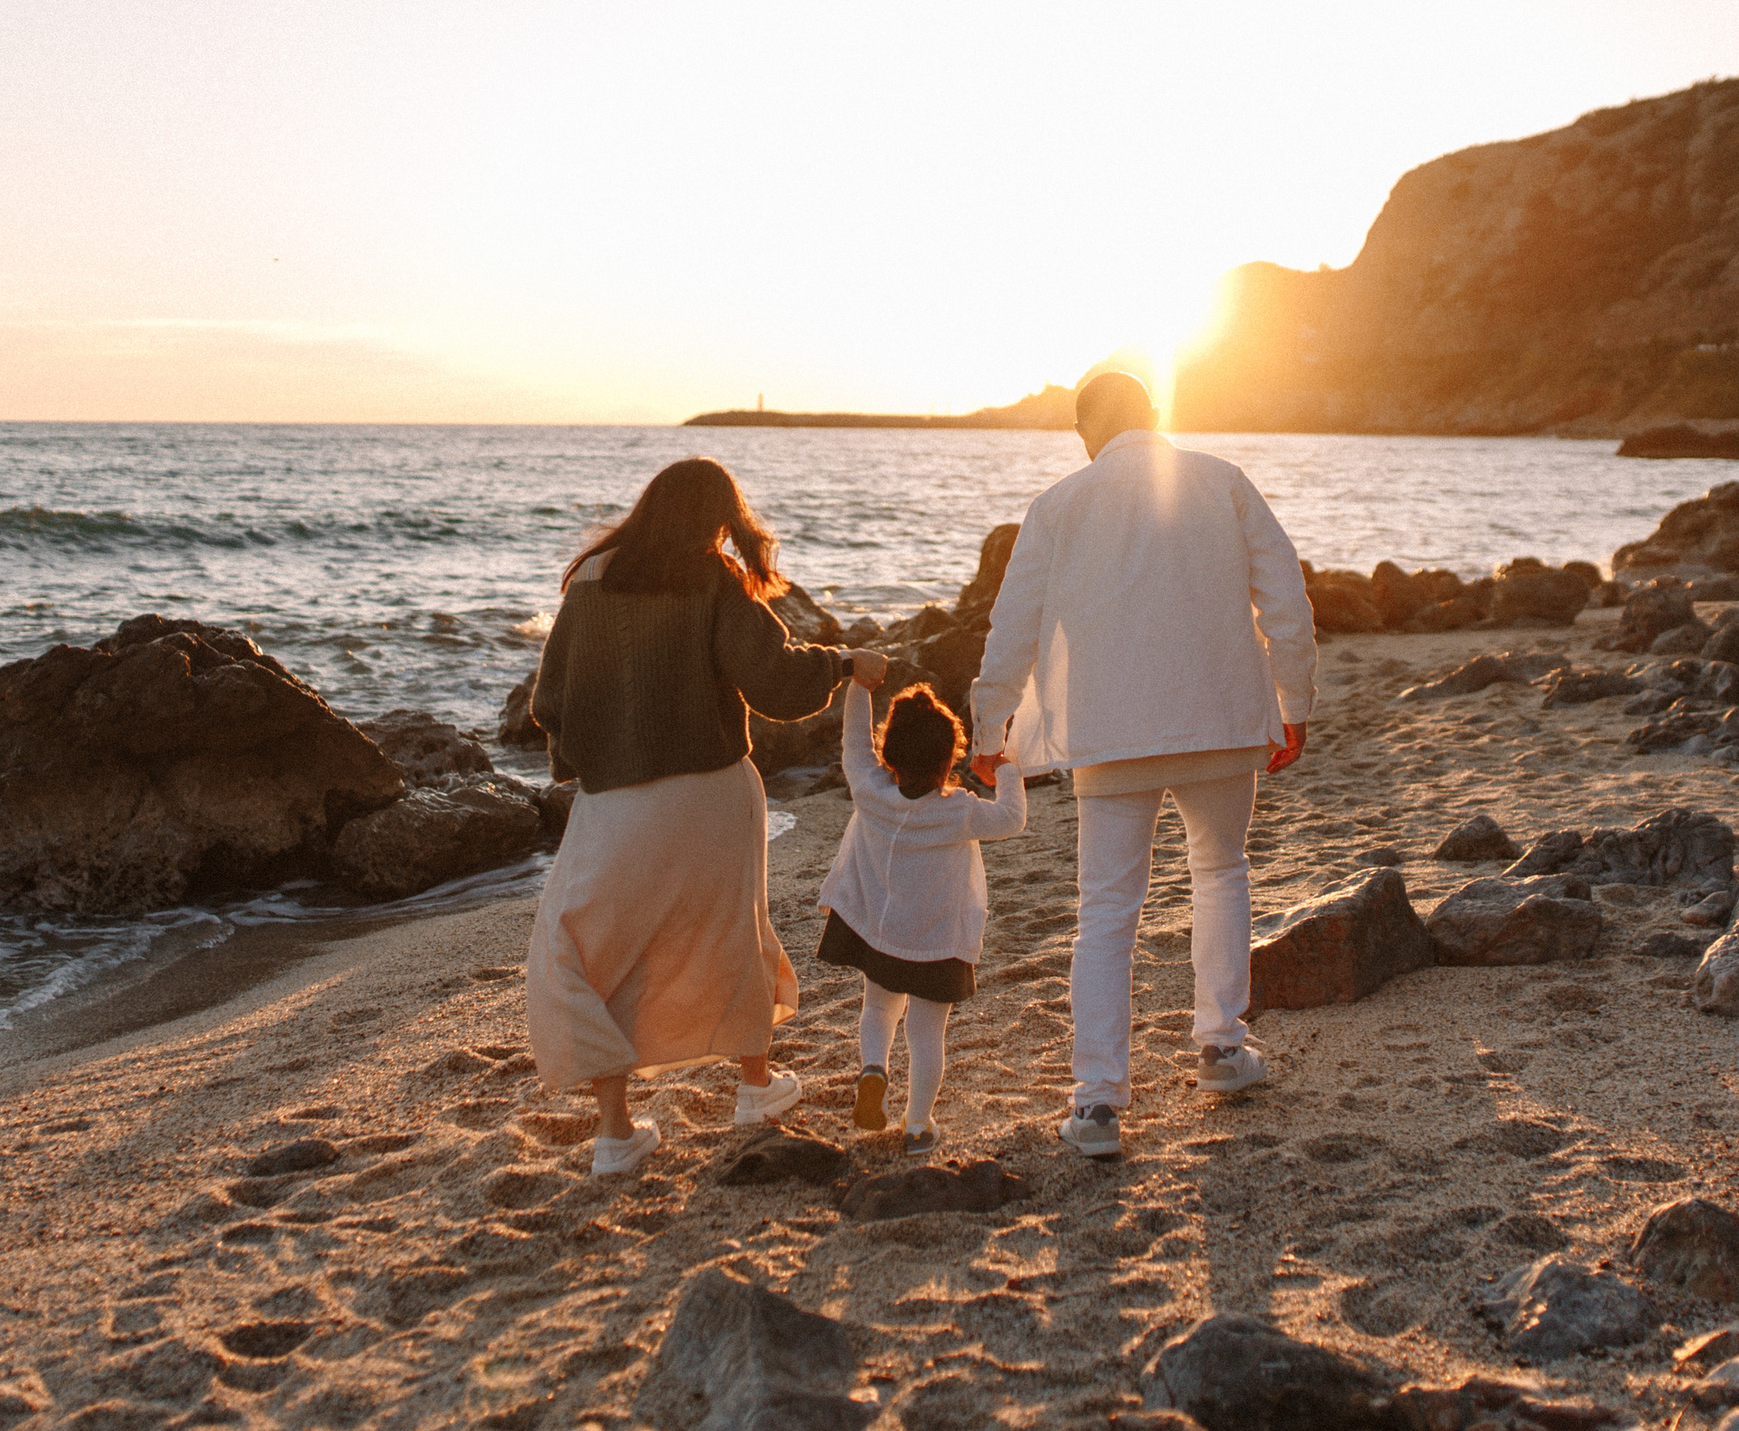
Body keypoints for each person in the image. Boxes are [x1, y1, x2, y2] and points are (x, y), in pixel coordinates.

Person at [968, 372, 1315, 1159]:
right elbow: (1286, 596)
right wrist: (1295, 701)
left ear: (1085, 430)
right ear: (1155, 414)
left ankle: (1097, 1102)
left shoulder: (1058, 505)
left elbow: (1012, 624)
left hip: (1111, 732)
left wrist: (990, 726)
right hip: (1221, 719)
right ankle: (1223, 1047)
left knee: (1105, 910)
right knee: (1221, 869)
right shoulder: (1223, 482)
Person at [524, 457, 887, 1176]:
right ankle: (755, 1089)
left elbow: (550, 699)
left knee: (589, 951)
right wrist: (845, 663)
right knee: (732, 931)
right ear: (717, 518)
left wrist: (592, 765)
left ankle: (614, 1131)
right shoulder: (711, 576)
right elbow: (775, 678)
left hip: (614, 803)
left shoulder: (592, 578)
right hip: (712, 794)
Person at [815, 679, 1027, 1155]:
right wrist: (1006, 770)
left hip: (878, 931)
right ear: (948, 759)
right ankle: (918, 1125)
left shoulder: (869, 789)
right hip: (935, 941)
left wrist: (860, 686)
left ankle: (873, 1069)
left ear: (887, 751)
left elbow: (853, 742)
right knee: (927, 1031)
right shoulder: (959, 813)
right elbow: (1013, 819)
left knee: (877, 1008)